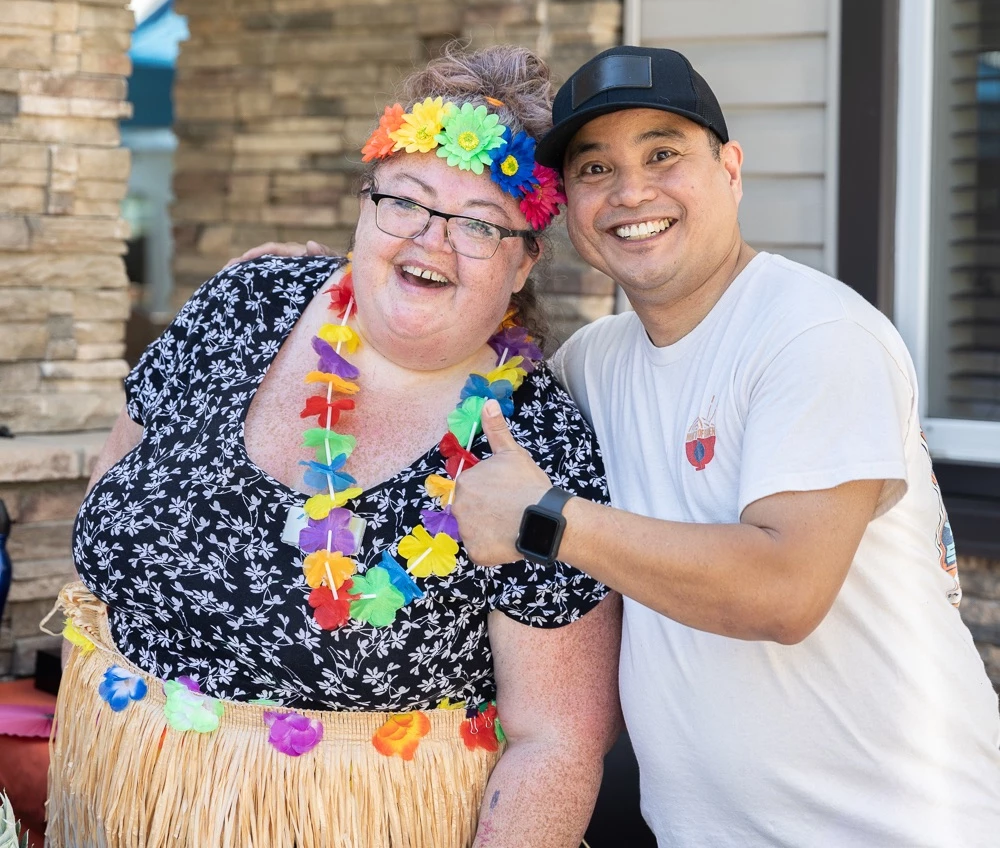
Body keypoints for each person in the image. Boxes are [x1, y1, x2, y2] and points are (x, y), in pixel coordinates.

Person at [271, 46, 1000, 846]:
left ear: (730, 170)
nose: (631, 192)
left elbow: (784, 592)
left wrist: (547, 519)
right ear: (569, 211)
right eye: (595, 169)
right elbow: (446, 325)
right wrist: (319, 283)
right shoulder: (596, 364)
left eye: (663, 154)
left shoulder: (815, 335)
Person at [52, 45, 620, 848]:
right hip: (112, 794)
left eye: (479, 223)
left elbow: (555, 741)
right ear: (365, 203)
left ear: (525, 258)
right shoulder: (246, 303)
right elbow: (113, 488)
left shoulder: (537, 447)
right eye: (406, 201)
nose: (430, 240)